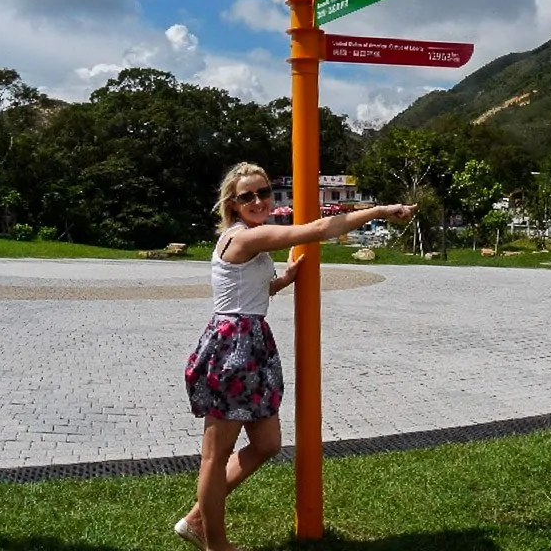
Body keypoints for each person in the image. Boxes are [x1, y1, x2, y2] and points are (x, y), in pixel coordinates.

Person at [174, 162, 417, 551]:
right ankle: (214, 543)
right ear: (232, 204)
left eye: (264, 192)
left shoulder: (251, 236)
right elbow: (320, 230)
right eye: (246, 196)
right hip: (232, 347)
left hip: (251, 341)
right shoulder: (242, 238)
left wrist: (281, 281)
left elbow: (247, 290)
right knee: (215, 455)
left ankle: (196, 518)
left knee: (267, 444)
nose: (258, 201)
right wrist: (382, 210)